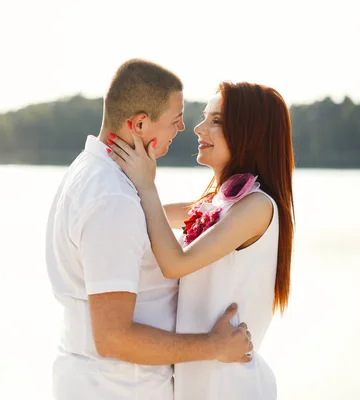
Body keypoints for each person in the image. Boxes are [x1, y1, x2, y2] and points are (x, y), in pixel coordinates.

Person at [45, 60, 253, 400]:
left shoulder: (89, 172)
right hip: (121, 387)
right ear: (140, 123)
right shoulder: (112, 198)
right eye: (175, 120)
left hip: (96, 381)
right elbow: (114, 337)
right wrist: (214, 346)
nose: (183, 128)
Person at [107, 81, 295, 399]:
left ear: (251, 133)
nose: (198, 128)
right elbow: (150, 217)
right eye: (205, 117)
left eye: (216, 121)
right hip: (199, 379)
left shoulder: (257, 206)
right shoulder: (219, 202)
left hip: (230, 384)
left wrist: (147, 182)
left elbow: (175, 264)